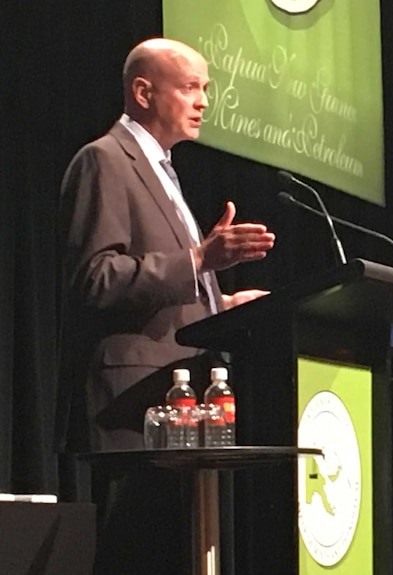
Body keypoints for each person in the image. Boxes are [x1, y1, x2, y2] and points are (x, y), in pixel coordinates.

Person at [55, 37, 276, 574]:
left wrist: (223, 302)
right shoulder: (104, 160)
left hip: (180, 406)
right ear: (143, 92)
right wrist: (199, 259)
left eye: (206, 89)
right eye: (190, 87)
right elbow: (95, 278)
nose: (203, 101)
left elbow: (168, 285)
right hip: (133, 406)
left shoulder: (165, 170)